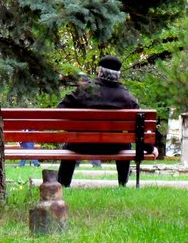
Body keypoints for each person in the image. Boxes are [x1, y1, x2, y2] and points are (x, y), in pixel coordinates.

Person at [56, 56, 139, 188]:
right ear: (118, 75)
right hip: (115, 148)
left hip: (81, 145)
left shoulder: (84, 91)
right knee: (125, 143)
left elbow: (60, 110)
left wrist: (75, 127)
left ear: (100, 72)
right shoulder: (127, 98)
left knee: (70, 144)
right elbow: (138, 126)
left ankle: (63, 184)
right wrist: (150, 148)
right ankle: (122, 184)